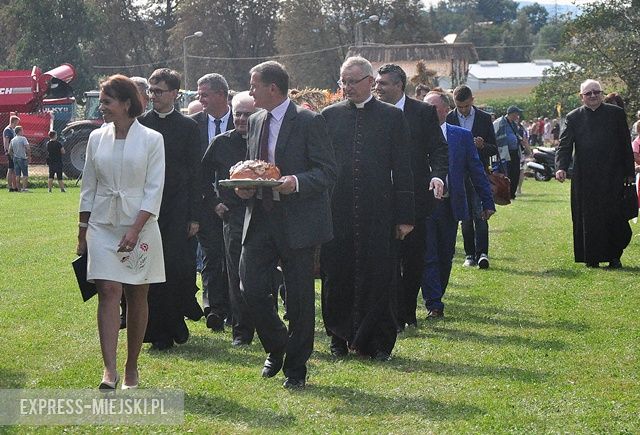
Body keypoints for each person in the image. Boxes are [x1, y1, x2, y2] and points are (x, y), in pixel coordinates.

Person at [235, 61, 336, 389]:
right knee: (249, 287)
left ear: (272, 88)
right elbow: (255, 168)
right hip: (260, 219)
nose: (250, 92)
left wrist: (295, 181)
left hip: (298, 221)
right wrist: (244, 186)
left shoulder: (308, 120)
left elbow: (327, 172)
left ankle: (296, 368)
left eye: (254, 85)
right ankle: (278, 345)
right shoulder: (254, 121)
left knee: (299, 298)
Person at [321, 56, 414, 361]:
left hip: (378, 210)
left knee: (379, 276)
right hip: (338, 209)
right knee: (337, 274)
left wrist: (404, 216)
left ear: (370, 82)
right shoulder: (329, 116)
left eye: (352, 81)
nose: (346, 87)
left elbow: (403, 169)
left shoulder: (392, 118)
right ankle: (338, 335)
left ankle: (377, 341)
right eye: (342, 81)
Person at [77, 74, 165, 389]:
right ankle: (109, 370)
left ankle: (132, 367)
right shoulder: (95, 137)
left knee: (136, 293)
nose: (102, 108)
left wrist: (135, 228)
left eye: (107, 102)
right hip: (101, 225)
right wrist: (82, 229)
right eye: (101, 102)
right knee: (108, 292)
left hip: (140, 226)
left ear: (127, 104)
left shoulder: (153, 140)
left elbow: (154, 190)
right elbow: (89, 186)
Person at [373, 64, 448, 330]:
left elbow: (438, 149)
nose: (377, 88)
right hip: (380, 198)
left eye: (383, 84)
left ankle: (406, 312)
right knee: (386, 258)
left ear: (399, 86)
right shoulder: (371, 112)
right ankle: (389, 314)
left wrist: (437, 176)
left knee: (414, 258)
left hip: (416, 197)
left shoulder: (422, 113)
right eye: (376, 83)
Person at [139, 68, 202, 350]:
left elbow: (196, 173)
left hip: (177, 209)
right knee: (148, 269)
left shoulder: (189, 128)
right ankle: (157, 331)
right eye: (151, 91)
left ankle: (176, 319)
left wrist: (195, 215)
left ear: (175, 93)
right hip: (146, 209)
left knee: (176, 268)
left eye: (159, 91)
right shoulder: (140, 124)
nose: (154, 96)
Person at [423, 90, 495, 318]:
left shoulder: (461, 136)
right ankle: (433, 303)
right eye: (426, 108)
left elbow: (476, 170)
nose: (429, 113)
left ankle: (437, 295)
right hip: (424, 206)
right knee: (429, 253)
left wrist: (487, 200)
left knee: (446, 254)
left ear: (446, 109)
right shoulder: (414, 135)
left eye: (433, 108)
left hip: (449, 204)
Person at [555, 79, 635, 268]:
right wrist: (561, 167)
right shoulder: (574, 117)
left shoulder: (615, 114)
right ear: (581, 97)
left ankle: (614, 257)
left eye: (596, 92)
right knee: (587, 218)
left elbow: (625, 144)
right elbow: (565, 145)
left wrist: (629, 172)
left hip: (612, 175)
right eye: (588, 93)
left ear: (602, 93)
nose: (593, 96)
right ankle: (591, 257)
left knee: (614, 216)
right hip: (585, 177)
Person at [201, 91, 257, 346]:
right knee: (235, 273)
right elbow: (200, 178)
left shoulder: (265, 141)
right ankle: (241, 332)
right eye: (238, 114)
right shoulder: (221, 143)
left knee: (262, 275)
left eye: (248, 114)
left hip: (264, 214)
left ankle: (266, 326)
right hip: (233, 216)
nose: (243, 119)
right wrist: (215, 203)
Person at [191, 73, 234, 331]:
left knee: (233, 258)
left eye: (204, 94)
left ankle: (232, 307)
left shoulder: (245, 121)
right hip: (205, 203)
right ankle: (213, 309)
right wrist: (211, 202)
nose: (200, 99)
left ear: (221, 95)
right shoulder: (192, 125)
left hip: (237, 204)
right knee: (210, 256)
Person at [446, 85, 497, 269]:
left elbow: (494, 148)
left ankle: (483, 252)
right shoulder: (449, 118)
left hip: (478, 172)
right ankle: (469, 254)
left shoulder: (483, 118)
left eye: (466, 106)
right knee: (465, 216)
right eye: (459, 107)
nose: (463, 110)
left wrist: (483, 146)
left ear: (472, 101)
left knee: (481, 213)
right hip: (458, 174)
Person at [494, 106, 523, 200]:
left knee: (515, 173)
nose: (517, 116)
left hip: (515, 152)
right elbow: (493, 135)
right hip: (504, 152)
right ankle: (505, 194)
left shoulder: (514, 124)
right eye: (516, 114)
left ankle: (512, 194)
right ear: (512, 113)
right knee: (507, 174)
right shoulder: (499, 122)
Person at [8, 126, 30, 192]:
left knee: (17, 174)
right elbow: (28, 148)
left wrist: (13, 156)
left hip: (15, 158)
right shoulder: (23, 139)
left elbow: (9, 150)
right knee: (25, 174)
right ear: (20, 131)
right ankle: (24, 188)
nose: (23, 132)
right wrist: (29, 156)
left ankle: (19, 188)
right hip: (22, 158)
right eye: (22, 130)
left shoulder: (13, 139)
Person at [3, 115, 20, 192]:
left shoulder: (12, 130)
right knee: (10, 169)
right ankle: (10, 186)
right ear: (13, 122)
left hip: (14, 152)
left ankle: (14, 186)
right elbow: (6, 142)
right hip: (10, 152)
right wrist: (8, 151)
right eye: (16, 122)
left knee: (14, 170)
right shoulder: (8, 130)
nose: (17, 124)